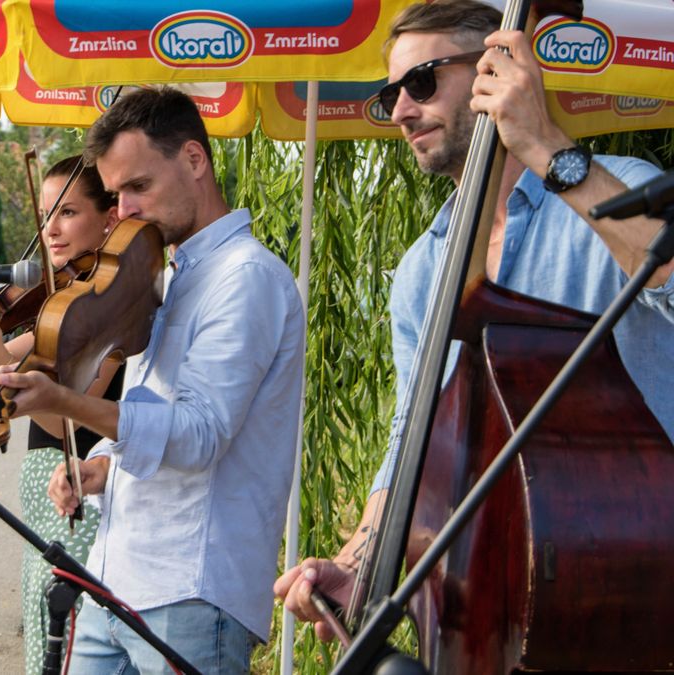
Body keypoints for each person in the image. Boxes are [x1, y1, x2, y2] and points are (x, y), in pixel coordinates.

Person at [275, 0, 674, 642]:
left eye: (422, 81)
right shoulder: (421, 269)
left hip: (636, 580)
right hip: (489, 603)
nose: (401, 110)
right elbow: (416, 435)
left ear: (498, 66)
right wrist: (361, 566)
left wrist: (545, 145)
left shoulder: (621, 188)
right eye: (390, 97)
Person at [0, 87, 306, 673]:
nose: (125, 209)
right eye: (115, 193)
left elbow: (201, 434)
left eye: (139, 187)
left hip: (190, 589)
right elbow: (149, 407)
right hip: (116, 577)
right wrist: (101, 463)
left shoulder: (247, 277)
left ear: (193, 160)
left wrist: (66, 402)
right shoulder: (166, 269)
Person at [0, 155, 124, 674]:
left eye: (67, 212)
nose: (50, 229)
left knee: (68, 655)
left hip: (81, 505)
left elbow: (70, 426)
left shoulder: (119, 310)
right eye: (45, 214)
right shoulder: (58, 301)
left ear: (109, 218)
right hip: (41, 521)